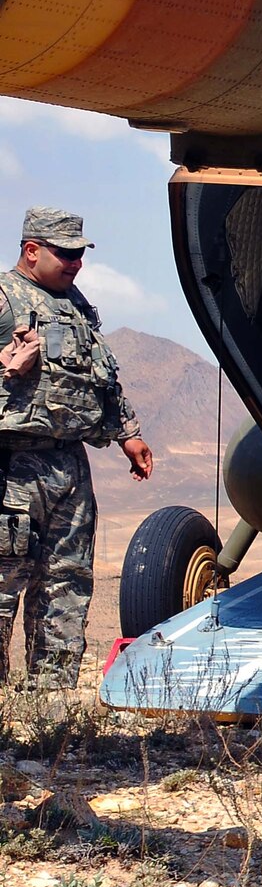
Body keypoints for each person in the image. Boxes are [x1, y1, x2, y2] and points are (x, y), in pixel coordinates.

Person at [0, 207, 153, 690]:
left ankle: (52, 707)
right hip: (12, 466)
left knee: (66, 583)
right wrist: (6, 369)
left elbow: (101, 376)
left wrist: (128, 433)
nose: (75, 263)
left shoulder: (76, 305)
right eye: (65, 254)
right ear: (31, 251)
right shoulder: (4, 298)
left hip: (69, 465)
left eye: (80, 254)